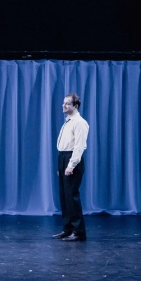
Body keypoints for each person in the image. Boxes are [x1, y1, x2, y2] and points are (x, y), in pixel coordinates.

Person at [53, 93, 89, 242]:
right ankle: (68, 229)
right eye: (64, 103)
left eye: (67, 103)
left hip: (72, 158)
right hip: (63, 158)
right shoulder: (68, 122)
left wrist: (71, 165)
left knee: (72, 197)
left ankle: (78, 232)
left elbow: (79, 147)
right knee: (65, 197)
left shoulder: (79, 123)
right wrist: (61, 166)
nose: (64, 105)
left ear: (76, 106)